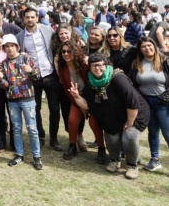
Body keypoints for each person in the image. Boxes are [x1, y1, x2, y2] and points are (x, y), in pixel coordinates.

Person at [69, 53, 150, 180]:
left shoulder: (117, 79)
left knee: (129, 136)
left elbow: (132, 102)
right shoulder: (91, 84)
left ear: (106, 66)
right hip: (112, 116)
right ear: (90, 68)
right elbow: (87, 105)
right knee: (111, 136)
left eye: (100, 65)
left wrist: (130, 121)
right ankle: (114, 160)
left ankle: (132, 166)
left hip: (134, 114)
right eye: (94, 66)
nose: (97, 68)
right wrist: (76, 96)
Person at [16, 7, 66, 151]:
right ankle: (41, 136)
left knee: (54, 109)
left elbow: (61, 41)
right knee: (35, 108)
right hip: (32, 77)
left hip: (50, 74)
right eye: (27, 17)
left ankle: (54, 138)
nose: (30, 20)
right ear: (23, 19)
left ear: (37, 18)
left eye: (32, 17)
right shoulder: (20, 37)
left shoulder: (47, 30)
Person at [0, 34, 43, 170]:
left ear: (17, 46)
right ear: (4, 48)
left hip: (28, 99)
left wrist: (31, 70)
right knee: (16, 129)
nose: (10, 49)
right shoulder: (3, 64)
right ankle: (19, 155)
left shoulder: (26, 58)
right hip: (12, 101)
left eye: (12, 46)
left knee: (32, 129)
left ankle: (36, 156)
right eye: (7, 46)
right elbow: (5, 85)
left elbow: (37, 76)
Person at [56, 41, 106, 163]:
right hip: (76, 99)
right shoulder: (63, 69)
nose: (66, 53)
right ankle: (72, 146)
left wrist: (87, 105)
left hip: (92, 98)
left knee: (94, 124)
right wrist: (78, 102)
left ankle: (101, 149)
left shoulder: (84, 65)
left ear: (75, 51)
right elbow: (67, 89)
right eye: (63, 51)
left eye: (69, 51)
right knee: (72, 121)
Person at [127, 37, 169, 172]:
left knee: (167, 133)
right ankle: (155, 159)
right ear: (140, 49)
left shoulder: (165, 61)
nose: (147, 48)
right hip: (145, 103)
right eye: (143, 46)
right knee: (153, 132)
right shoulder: (137, 63)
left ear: (155, 46)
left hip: (163, 102)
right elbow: (131, 82)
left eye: (149, 45)